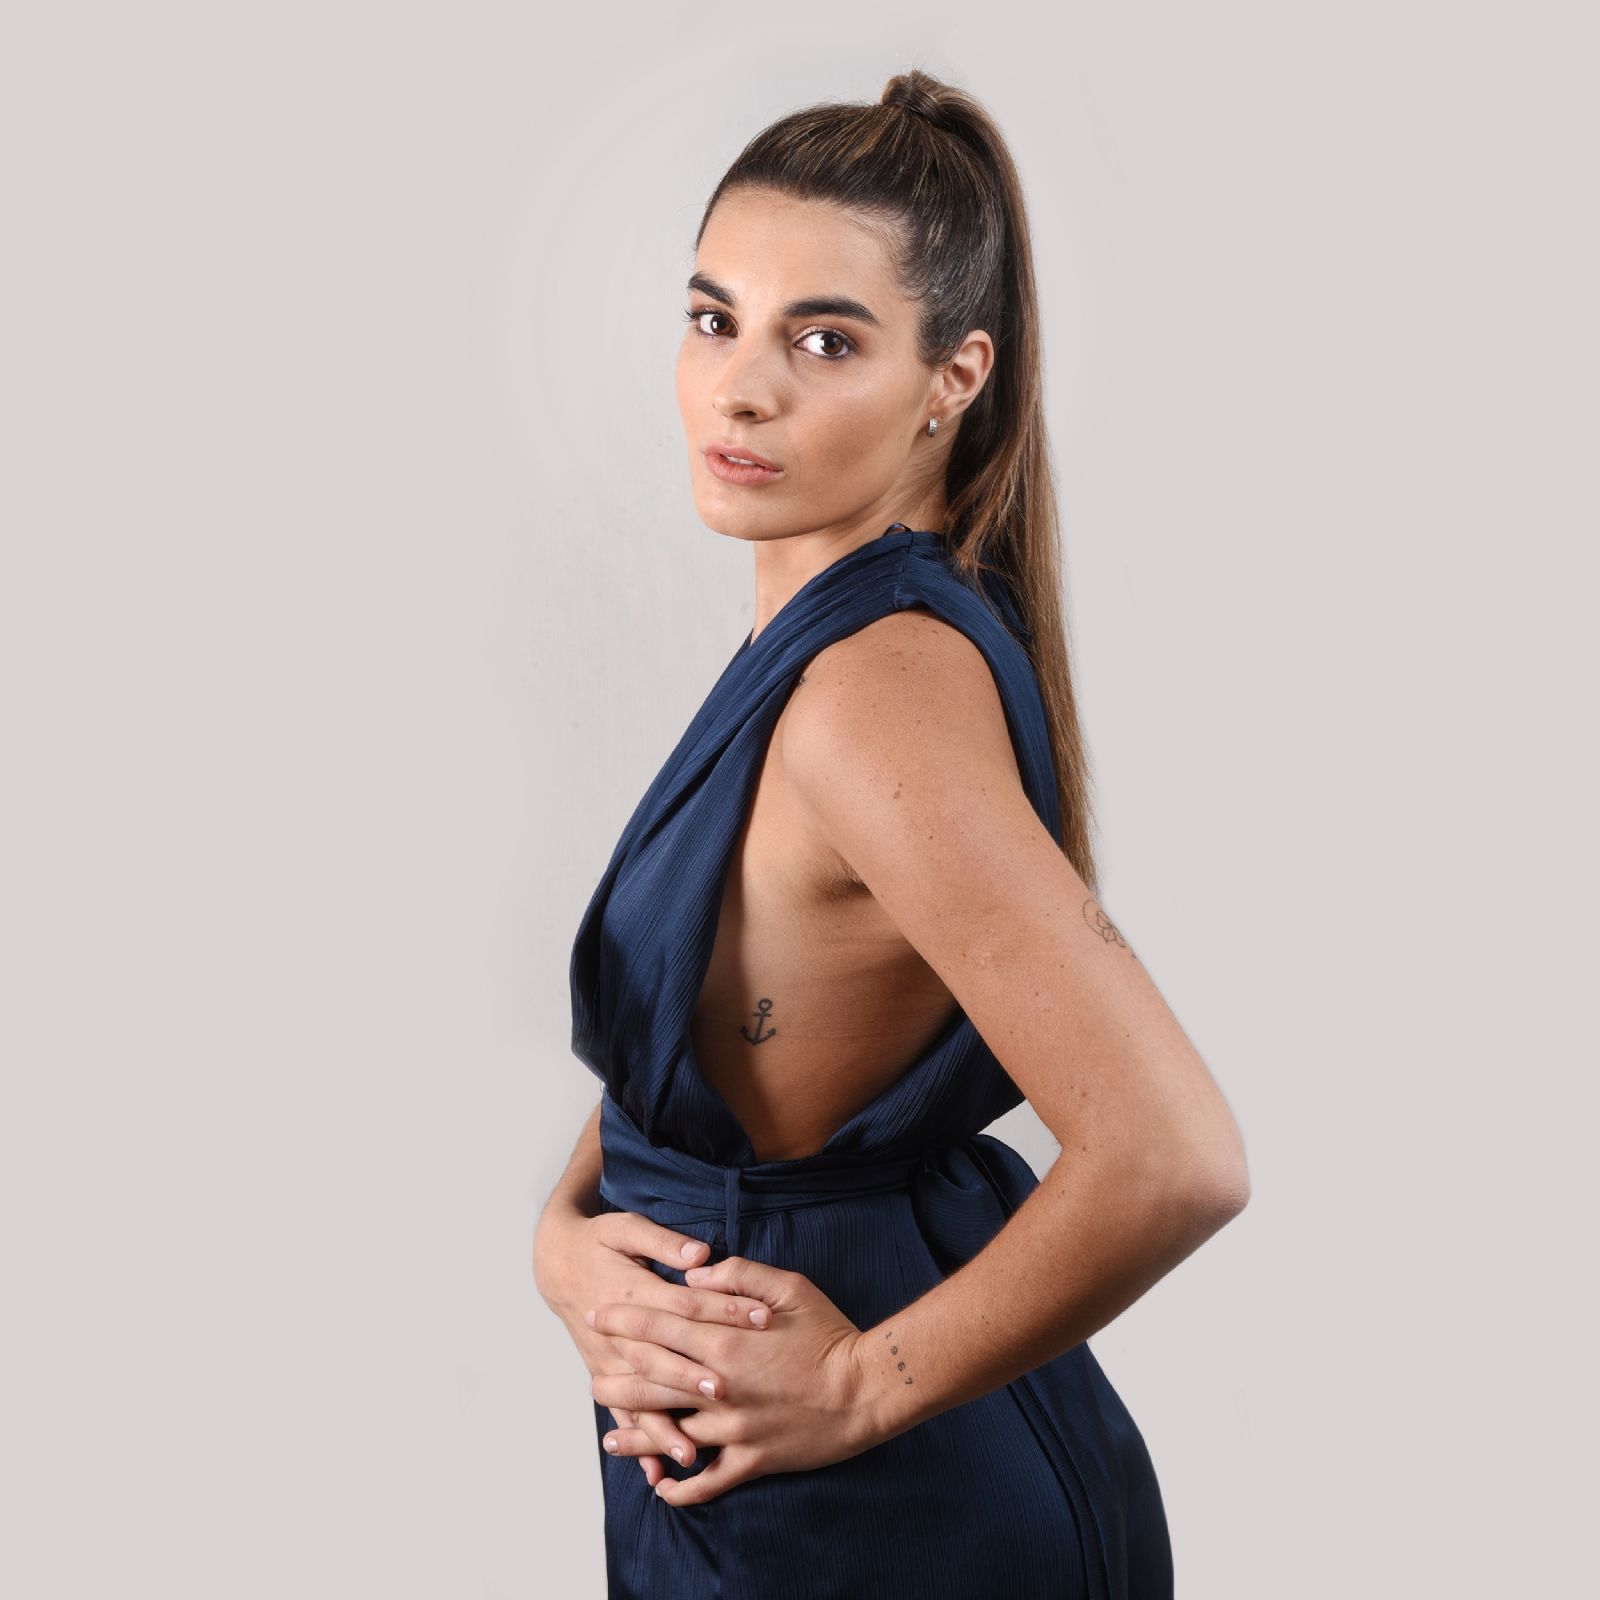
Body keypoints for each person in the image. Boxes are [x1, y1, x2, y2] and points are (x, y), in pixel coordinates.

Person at [534, 68, 1250, 1599]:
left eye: (825, 341)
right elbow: (731, 1036)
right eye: (714, 319)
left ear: (953, 378)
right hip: (770, 1483)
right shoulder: (828, 644)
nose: (740, 389)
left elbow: (1175, 1153)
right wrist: (564, 1232)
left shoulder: (872, 695)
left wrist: (859, 1385)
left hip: (880, 1517)